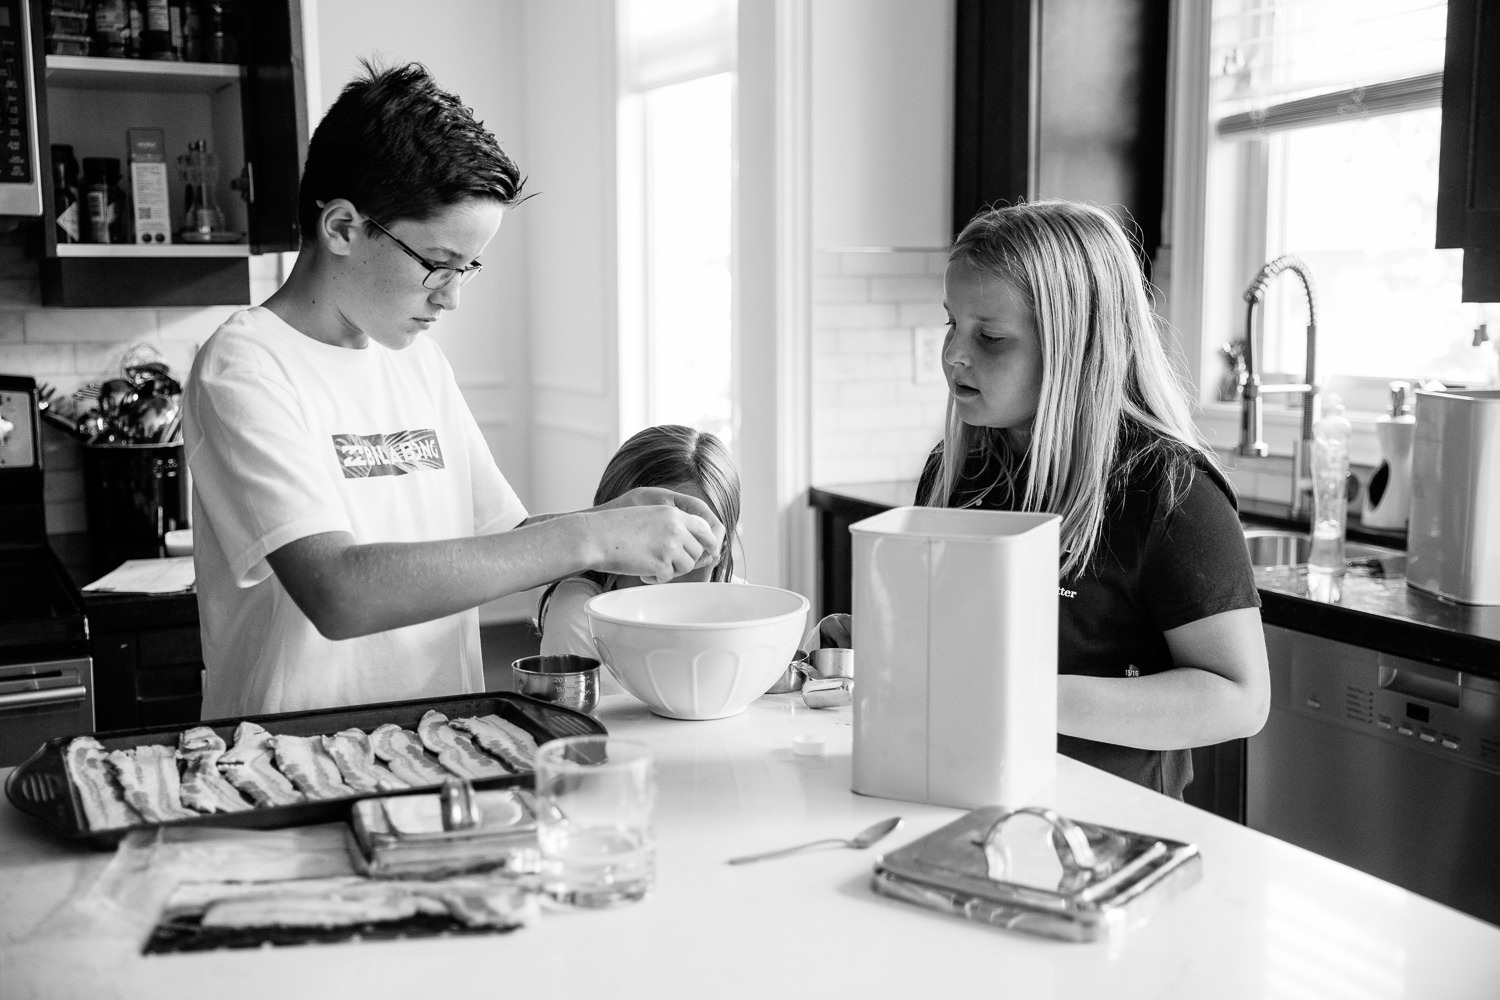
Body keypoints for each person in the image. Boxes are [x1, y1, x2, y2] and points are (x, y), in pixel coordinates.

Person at [183, 62, 723, 719]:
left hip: (442, 742)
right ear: (343, 227)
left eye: (469, 267)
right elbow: (339, 592)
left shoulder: (417, 363)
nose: (454, 296)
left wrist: (609, 522)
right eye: (439, 265)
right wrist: (592, 540)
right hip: (291, 760)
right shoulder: (245, 367)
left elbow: (505, 536)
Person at [918, 199, 1269, 798]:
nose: (954, 353)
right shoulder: (959, 472)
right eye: (952, 323)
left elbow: (1238, 698)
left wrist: (1030, 698)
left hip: (1112, 826)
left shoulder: (1170, 493)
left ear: (1077, 348)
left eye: (992, 337)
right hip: (966, 791)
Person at [536, 424, 741, 664]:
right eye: (655, 539)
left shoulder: (740, 607)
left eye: (691, 543)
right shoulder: (581, 615)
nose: (666, 568)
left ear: (722, 547)